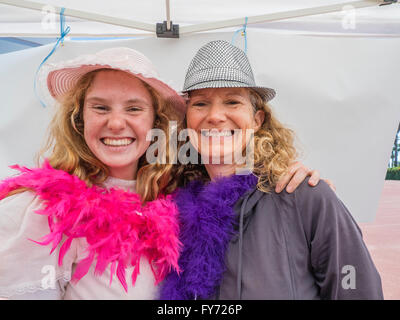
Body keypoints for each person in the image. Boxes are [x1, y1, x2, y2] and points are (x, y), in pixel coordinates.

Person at [0, 46, 322, 300]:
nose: (116, 123)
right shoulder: (45, 210)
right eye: (100, 107)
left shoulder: (176, 192)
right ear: (78, 119)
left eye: (134, 108)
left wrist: (284, 171)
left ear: (155, 122)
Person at [160, 40, 383, 300]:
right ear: (187, 121)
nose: (216, 116)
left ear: (257, 120)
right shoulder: (172, 206)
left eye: (232, 102)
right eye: (200, 104)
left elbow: (358, 291)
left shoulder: (305, 197)